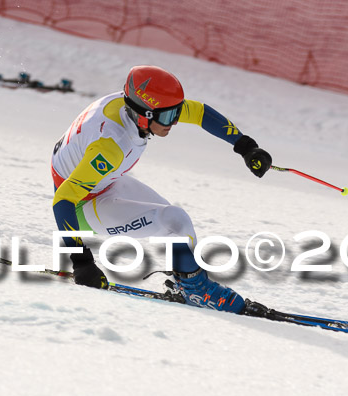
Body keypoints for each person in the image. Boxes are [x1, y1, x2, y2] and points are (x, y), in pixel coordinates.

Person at [51, 65, 272, 314]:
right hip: (82, 204)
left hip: (103, 182)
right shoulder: (111, 146)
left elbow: (199, 113)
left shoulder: (132, 106)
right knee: (174, 221)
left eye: (177, 112)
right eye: (168, 117)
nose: (174, 121)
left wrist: (245, 146)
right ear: (144, 115)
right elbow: (63, 199)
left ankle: (186, 281)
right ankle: (197, 291)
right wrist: (81, 262)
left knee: (175, 226)